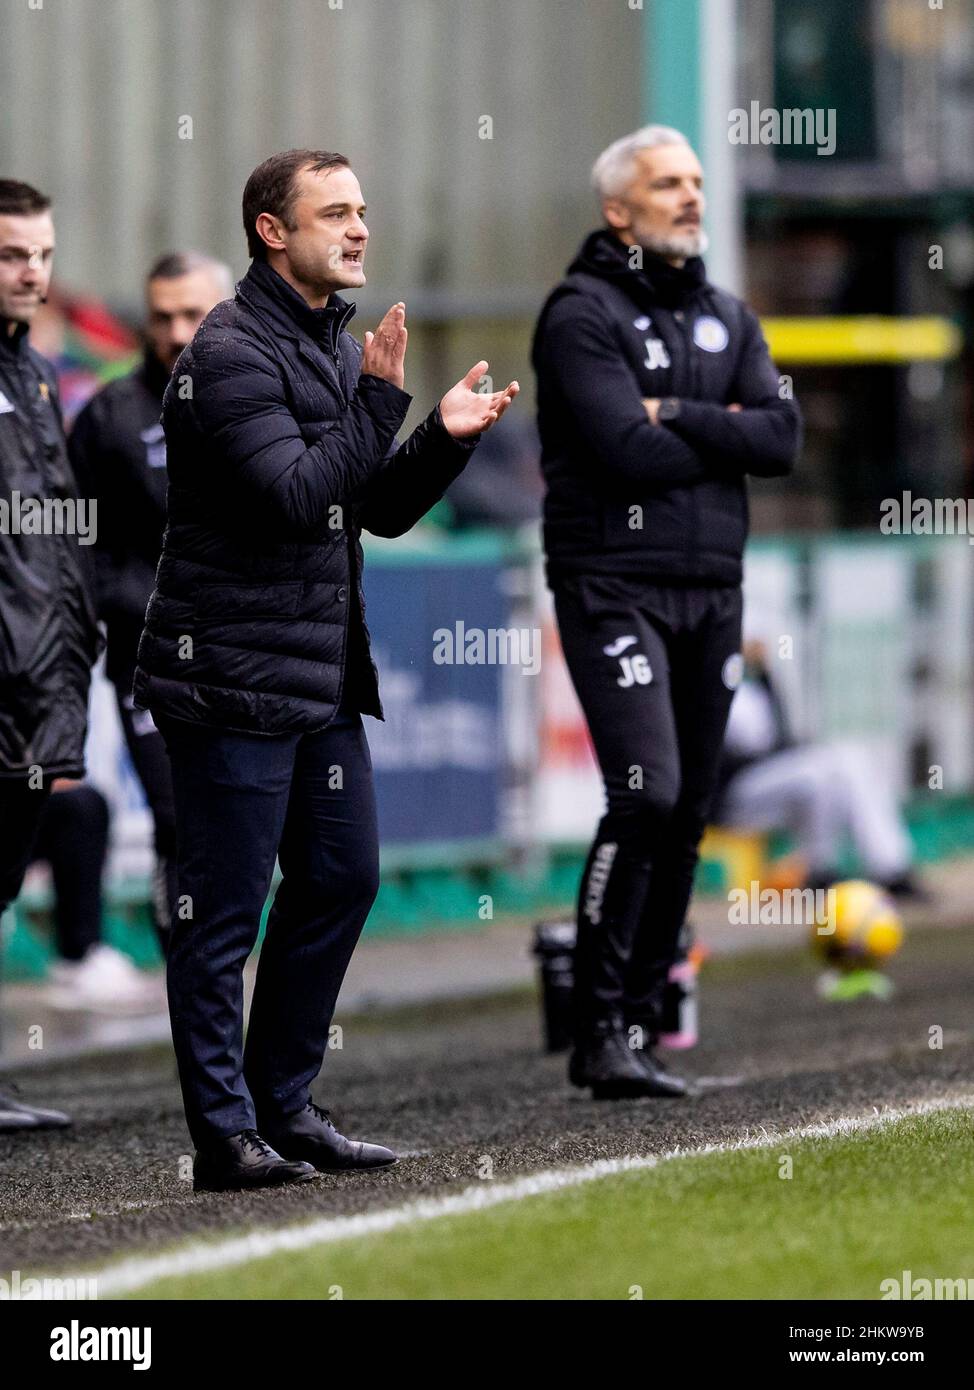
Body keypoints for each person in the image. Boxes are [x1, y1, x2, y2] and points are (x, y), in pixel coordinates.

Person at [133, 148, 518, 1192]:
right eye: (334, 211)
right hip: (225, 680)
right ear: (272, 230)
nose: (357, 228)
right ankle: (224, 1137)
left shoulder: (330, 343)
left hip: (312, 677)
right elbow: (299, 496)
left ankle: (284, 1106)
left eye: (362, 209)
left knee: (342, 878)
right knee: (220, 916)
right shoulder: (231, 352)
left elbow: (372, 505)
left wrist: (436, 436)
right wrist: (380, 401)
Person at [532, 125, 802, 1099]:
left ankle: (641, 1018)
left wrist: (675, 414)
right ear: (618, 211)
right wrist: (711, 430)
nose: (688, 196)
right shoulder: (578, 312)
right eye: (664, 185)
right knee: (643, 793)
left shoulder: (727, 314)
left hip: (711, 588)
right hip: (612, 582)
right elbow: (618, 447)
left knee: (687, 808)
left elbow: (780, 438)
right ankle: (596, 1024)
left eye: (693, 181)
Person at [68, 252, 234, 955]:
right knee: (182, 823)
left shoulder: (271, 399)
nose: (174, 331)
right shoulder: (111, 416)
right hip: (151, 663)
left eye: (192, 314)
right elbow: (73, 538)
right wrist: (119, 602)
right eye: (161, 316)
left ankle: (239, 996)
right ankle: (191, 993)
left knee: (258, 831)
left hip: (256, 656)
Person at [0, 179, 101, 1131]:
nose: (32, 272)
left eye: (43, 254)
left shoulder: (34, 376)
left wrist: (77, 643)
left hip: (40, 684)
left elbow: (52, 532)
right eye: (11, 255)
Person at [713, 641, 924, 897]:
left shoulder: (757, 683)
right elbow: (748, 741)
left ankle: (886, 869)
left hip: (769, 788)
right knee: (819, 772)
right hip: (729, 799)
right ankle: (826, 870)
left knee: (847, 760)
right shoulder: (711, 683)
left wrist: (763, 671)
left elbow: (781, 739)